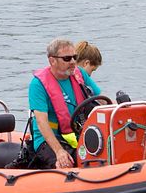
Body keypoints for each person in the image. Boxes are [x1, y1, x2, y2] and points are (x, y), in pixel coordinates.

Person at [27, 37, 102, 170]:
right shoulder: (38, 85)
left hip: (76, 136)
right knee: (67, 163)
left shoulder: (80, 75)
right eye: (67, 59)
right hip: (49, 141)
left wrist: (123, 109)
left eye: (74, 57)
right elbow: (41, 122)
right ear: (52, 60)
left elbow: (102, 99)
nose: (73, 62)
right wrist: (59, 151)